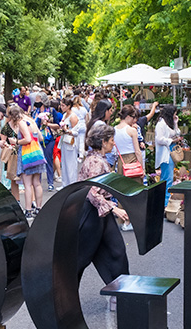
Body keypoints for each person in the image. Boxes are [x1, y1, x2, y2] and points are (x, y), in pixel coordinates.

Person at [77, 123, 130, 312]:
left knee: (115, 250)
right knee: (83, 257)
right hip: (92, 214)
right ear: (103, 141)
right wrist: (115, 210)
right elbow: (92, 192)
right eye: (111, 140)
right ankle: (118, 293)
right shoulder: (95, 162)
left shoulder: (97, 159)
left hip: (99, 213)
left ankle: (119, 293)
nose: (113, 143)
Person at [5, 105, 45, 219]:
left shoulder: (22, 123)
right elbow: (40, 138)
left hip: (27, 155)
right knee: (37, 183)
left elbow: (27, 139)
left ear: (14, 116)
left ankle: (28, 210)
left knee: (27, 184)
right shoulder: (31, 121)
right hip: (37, 153)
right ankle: (39, 208)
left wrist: (16, 141)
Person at [154, 105, 181, 206]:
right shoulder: (161, 124)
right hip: (165, 154)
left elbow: (177, 132)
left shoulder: (168, 123)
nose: (175, 115)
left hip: (170, 151)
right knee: (167, 178)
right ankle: (164, 204)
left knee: (167, 177)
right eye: (174, 113)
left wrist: (175, 123)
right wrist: (172, 140)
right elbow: (159, 139)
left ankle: (164, 202)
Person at [114, 105, 144, 180]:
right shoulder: (132, 130)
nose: (134, 120)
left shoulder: (113, 130)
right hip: (133, 161)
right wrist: (142, 168)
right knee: (135, 187)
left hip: (121, 161)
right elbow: (137, 152)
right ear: (128, 116)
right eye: (133, 117)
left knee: (123, 187)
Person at [59, 97, 82, 187]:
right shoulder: (65, 115)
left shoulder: (73, 116)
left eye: (63, 105)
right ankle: (65, 184)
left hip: (71, 142)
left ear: (68, 106)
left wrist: (67, 130)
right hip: (64, 141)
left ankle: (72, 185)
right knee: (64, 164)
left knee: (71, 165)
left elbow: (76, 132)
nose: (61, 107)